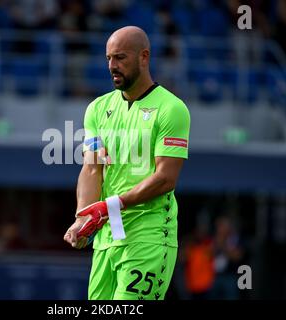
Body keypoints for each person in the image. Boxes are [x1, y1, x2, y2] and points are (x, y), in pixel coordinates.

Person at [63, 26, 191, 300]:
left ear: (144, 57)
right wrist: (83, 216)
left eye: (120, 58)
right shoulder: (97, 108)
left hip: (149, 236)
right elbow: (92, 167)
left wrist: (110, 206)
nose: (112, 66)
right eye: (109, 58)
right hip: (107, 241)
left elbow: (166, 178)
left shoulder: (172, 109)